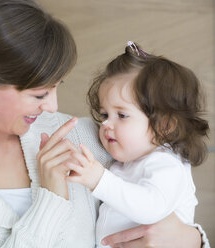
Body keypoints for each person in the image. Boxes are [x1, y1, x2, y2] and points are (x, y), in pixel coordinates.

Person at [0, 0, 209, 247]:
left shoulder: (83, 137)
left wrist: (192, 240)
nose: (54, 107)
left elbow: (164, 189)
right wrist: (50, 198)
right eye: (39, 95)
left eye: (56, 89)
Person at [66, 42, 210, 247]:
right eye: (104, 114)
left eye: (121, 115)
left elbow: (150, 207)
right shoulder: (127, 161)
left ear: (165, 125)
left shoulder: (166, 164)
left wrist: (99, 180)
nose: (106, 124)